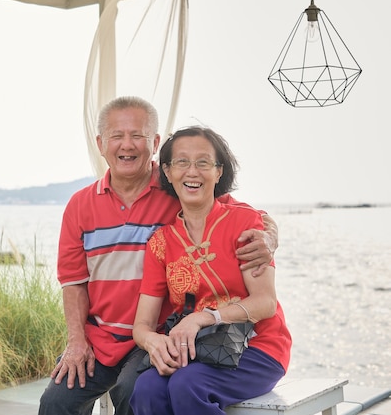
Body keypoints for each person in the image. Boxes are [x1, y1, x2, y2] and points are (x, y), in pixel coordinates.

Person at [38, 96, 278, 415]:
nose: (127, 145)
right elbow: (73, 282)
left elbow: (246, 215)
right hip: (100, 339)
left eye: (137, 135)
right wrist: (77, 341)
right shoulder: (80, 205)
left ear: (154, 142)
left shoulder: (178, 187)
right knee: (56, 402)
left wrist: (270, 238)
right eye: (117, 136)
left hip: (159, 333)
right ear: (100, 143)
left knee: (133, 392)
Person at [130, 126, 292, 415]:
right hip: (196, 352)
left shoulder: (246, 224)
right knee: (146, 388)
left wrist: (203, 318)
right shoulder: (160, 243)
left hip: (258, 348)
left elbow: (265, 303)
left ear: (219, 172)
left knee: (187, 385)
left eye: (203, 162)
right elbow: (142, 324)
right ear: (166, 171)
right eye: (182, 162)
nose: (192, 172)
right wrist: (152, 341)